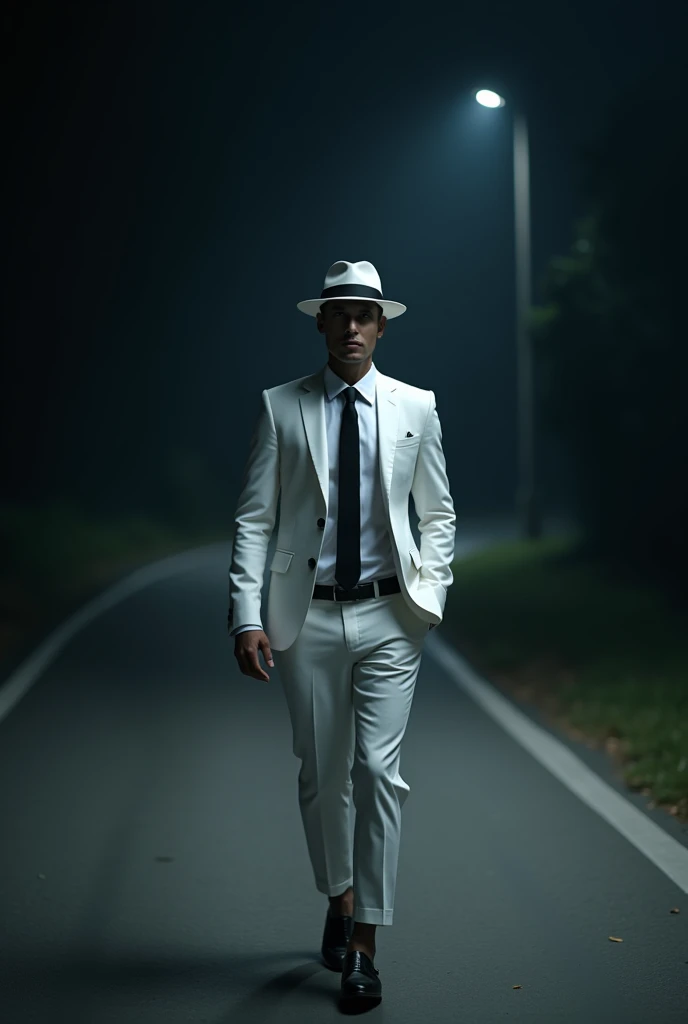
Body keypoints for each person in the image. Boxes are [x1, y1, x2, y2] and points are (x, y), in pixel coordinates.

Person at [228, 259, 456, 1006]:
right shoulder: (281, 407)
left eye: (365, 315)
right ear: (320, 324)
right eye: (339, 314)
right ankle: (339, 896)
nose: (352, 327)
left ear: (381, 326)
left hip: (393, 617)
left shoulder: (416, 406)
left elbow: (439, 513)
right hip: (309, 616)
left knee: (379, 775)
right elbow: (256, 519)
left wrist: (432, 591)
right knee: (323, 775)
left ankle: (365, 946)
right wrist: (248, 615)